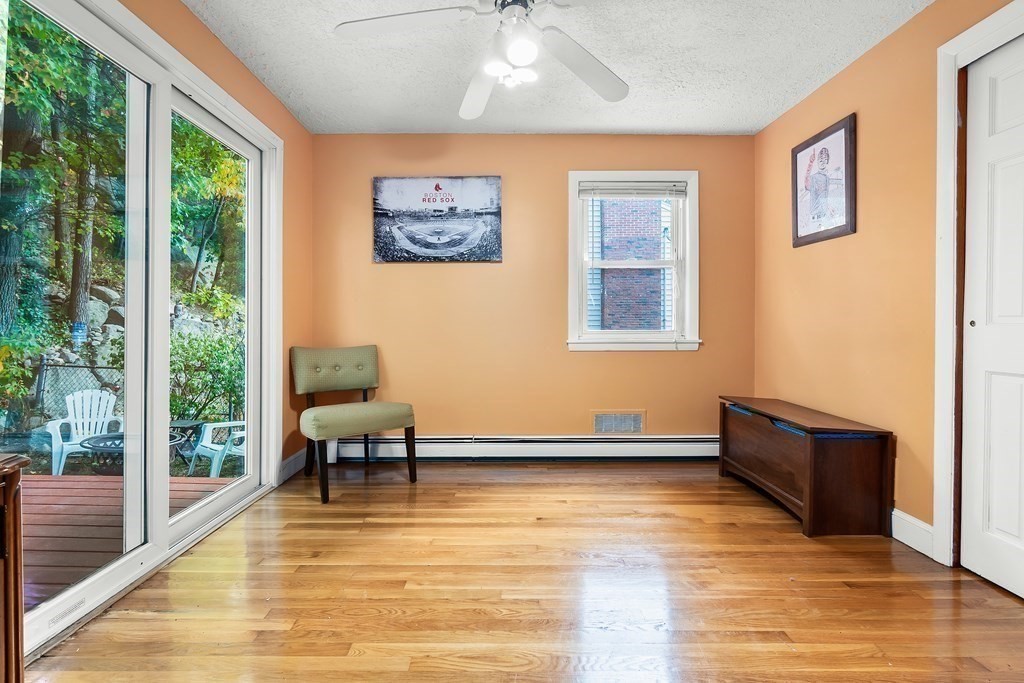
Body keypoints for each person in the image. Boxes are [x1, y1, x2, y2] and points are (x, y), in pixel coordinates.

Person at [804, 146, 831, 227]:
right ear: (817, 161)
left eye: (825, 159)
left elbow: (825, 197)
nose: (822, 162)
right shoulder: (813, 177)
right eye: (820, 159)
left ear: (827, 161)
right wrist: (810, 163)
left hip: (824, 216)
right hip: (814, 215)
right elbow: (807, 184)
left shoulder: (827, 178)